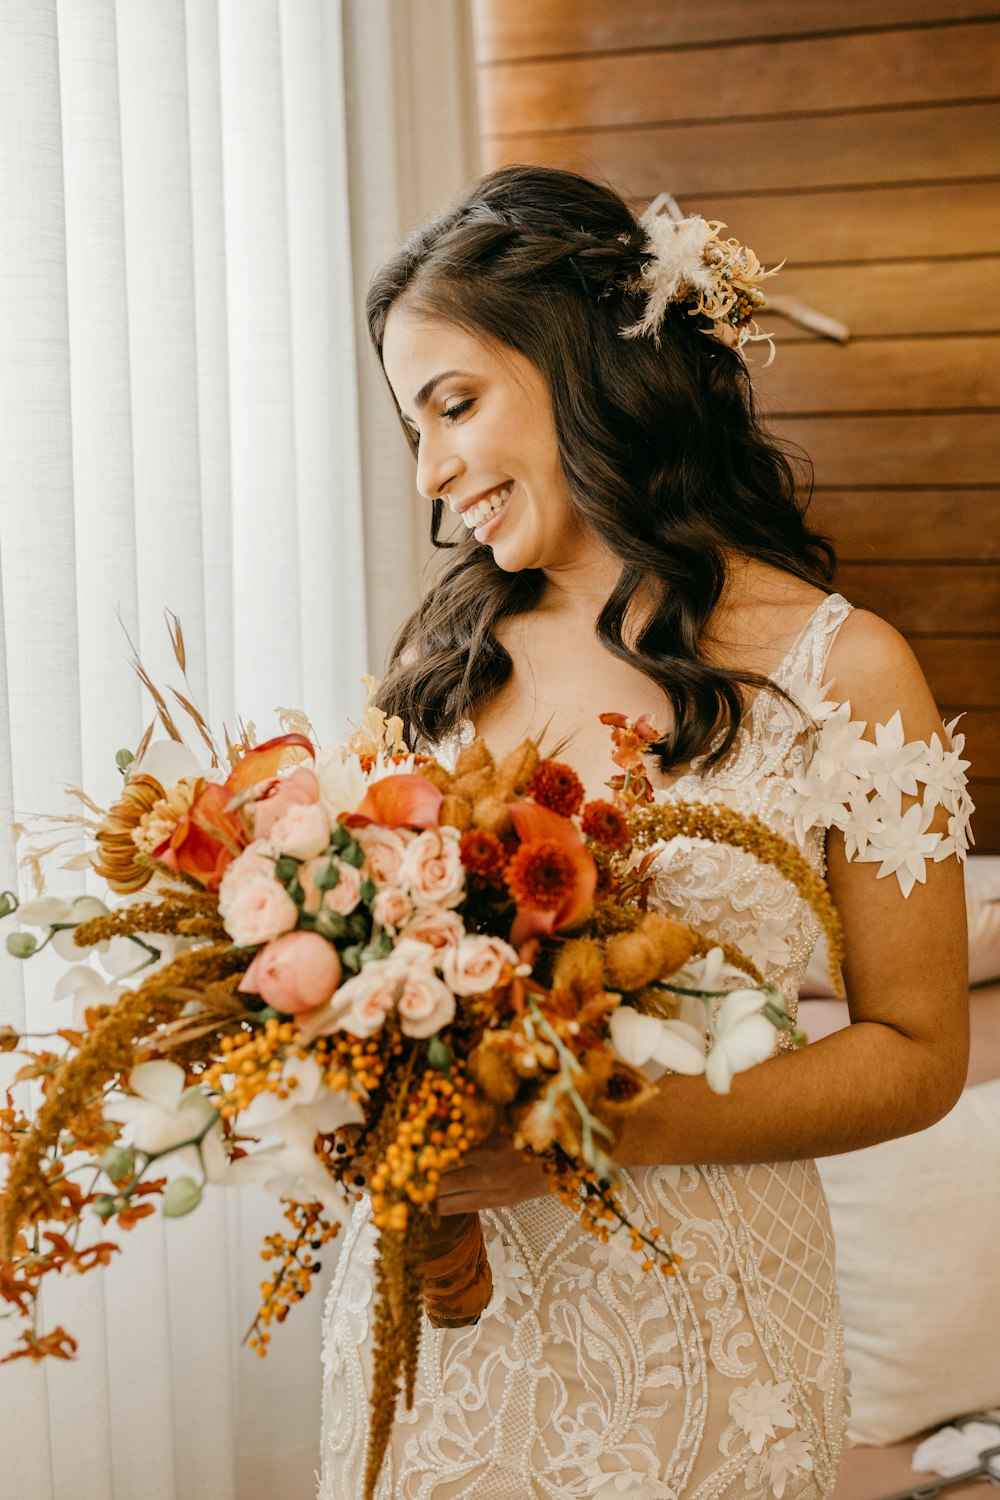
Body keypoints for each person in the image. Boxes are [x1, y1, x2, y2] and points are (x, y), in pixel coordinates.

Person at [317, 165, 972, 1499]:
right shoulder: (434, 670)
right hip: (442, 1345)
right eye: (412, 430)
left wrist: (595, 1129)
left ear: (582, 370)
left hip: (704, 1351)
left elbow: (916, 1054)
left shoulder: (847, 677)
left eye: (455, 405)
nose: (434, 472)